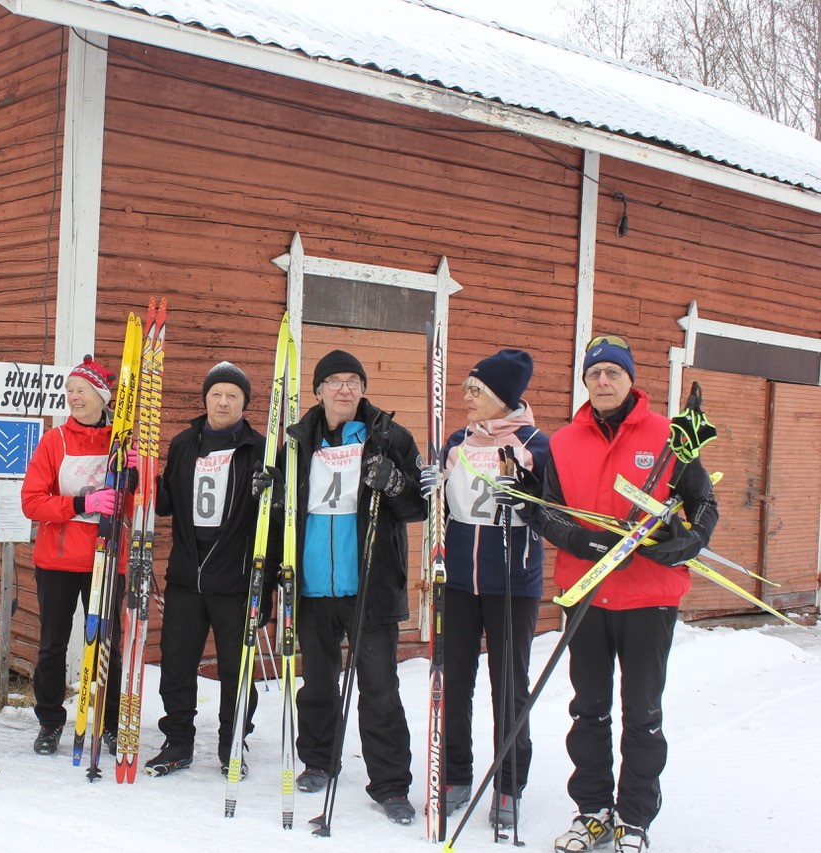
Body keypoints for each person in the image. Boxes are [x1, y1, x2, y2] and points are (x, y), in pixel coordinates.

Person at [542, 335, 717, 853]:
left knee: (643, 714)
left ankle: (635, 818)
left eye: (612, 373)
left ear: (629, 378)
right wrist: (578, 539)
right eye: (594, 373)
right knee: (588, 710)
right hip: (587, 594)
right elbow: (548, 511)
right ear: (585, 382)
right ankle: (592, 810)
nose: (603, 381)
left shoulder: (669, 435)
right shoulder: (562, 442)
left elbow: (703, 502)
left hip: (649, 597)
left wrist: (689, 540)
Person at [272, 349, 426, 825]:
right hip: (313, 587)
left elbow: (418, 505)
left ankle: (391, 785)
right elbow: (282, 516)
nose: (345, 389)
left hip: (370, 588)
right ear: (317, 391)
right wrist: (270, 492)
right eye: (334, 381)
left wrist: (396, 482)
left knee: (380, 688)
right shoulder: (297, 443)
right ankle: (320, 760)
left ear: (362, 388)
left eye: (353, 381)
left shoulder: (389, 436)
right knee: (317, 683)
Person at [431, 349, 549, 830]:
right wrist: (428, 484)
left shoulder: (536, 444)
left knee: (509, 686)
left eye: (476, 391)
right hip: (458, 580)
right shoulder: (456, 441)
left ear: (503, 398)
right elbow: (440, 500)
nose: (467, 397)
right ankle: (456, 773)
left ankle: (509, 783)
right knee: (454, 682)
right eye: (466, 388)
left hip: (511, 583)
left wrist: (526, 494)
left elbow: (550, 509)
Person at [146, 361, 273, 777]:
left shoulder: (260, 449)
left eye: (232, 396)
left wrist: (266, 589)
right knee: (177, 662)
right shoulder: (184, 443)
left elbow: (275, 523)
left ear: (244, 404)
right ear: (205, 399)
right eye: (216, 394)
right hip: (186, 575)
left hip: (234, 581)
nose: (223, 401)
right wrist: (142, 475)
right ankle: (178, 740)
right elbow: (166, 504)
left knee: (237, 669)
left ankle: (232, 741)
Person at [20, 355, 130, 756]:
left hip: (106, 558)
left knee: (107, 645)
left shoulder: (121, 440)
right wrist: (80, 501)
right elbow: (32, 502)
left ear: (101, 396)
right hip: (58, 561)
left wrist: (135, 476)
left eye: (81, 390)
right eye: (69, 391)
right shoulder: (55, 440)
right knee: (52, 643)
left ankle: (111, 720)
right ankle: (50, 721)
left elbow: (137, 504)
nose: (73, 397)